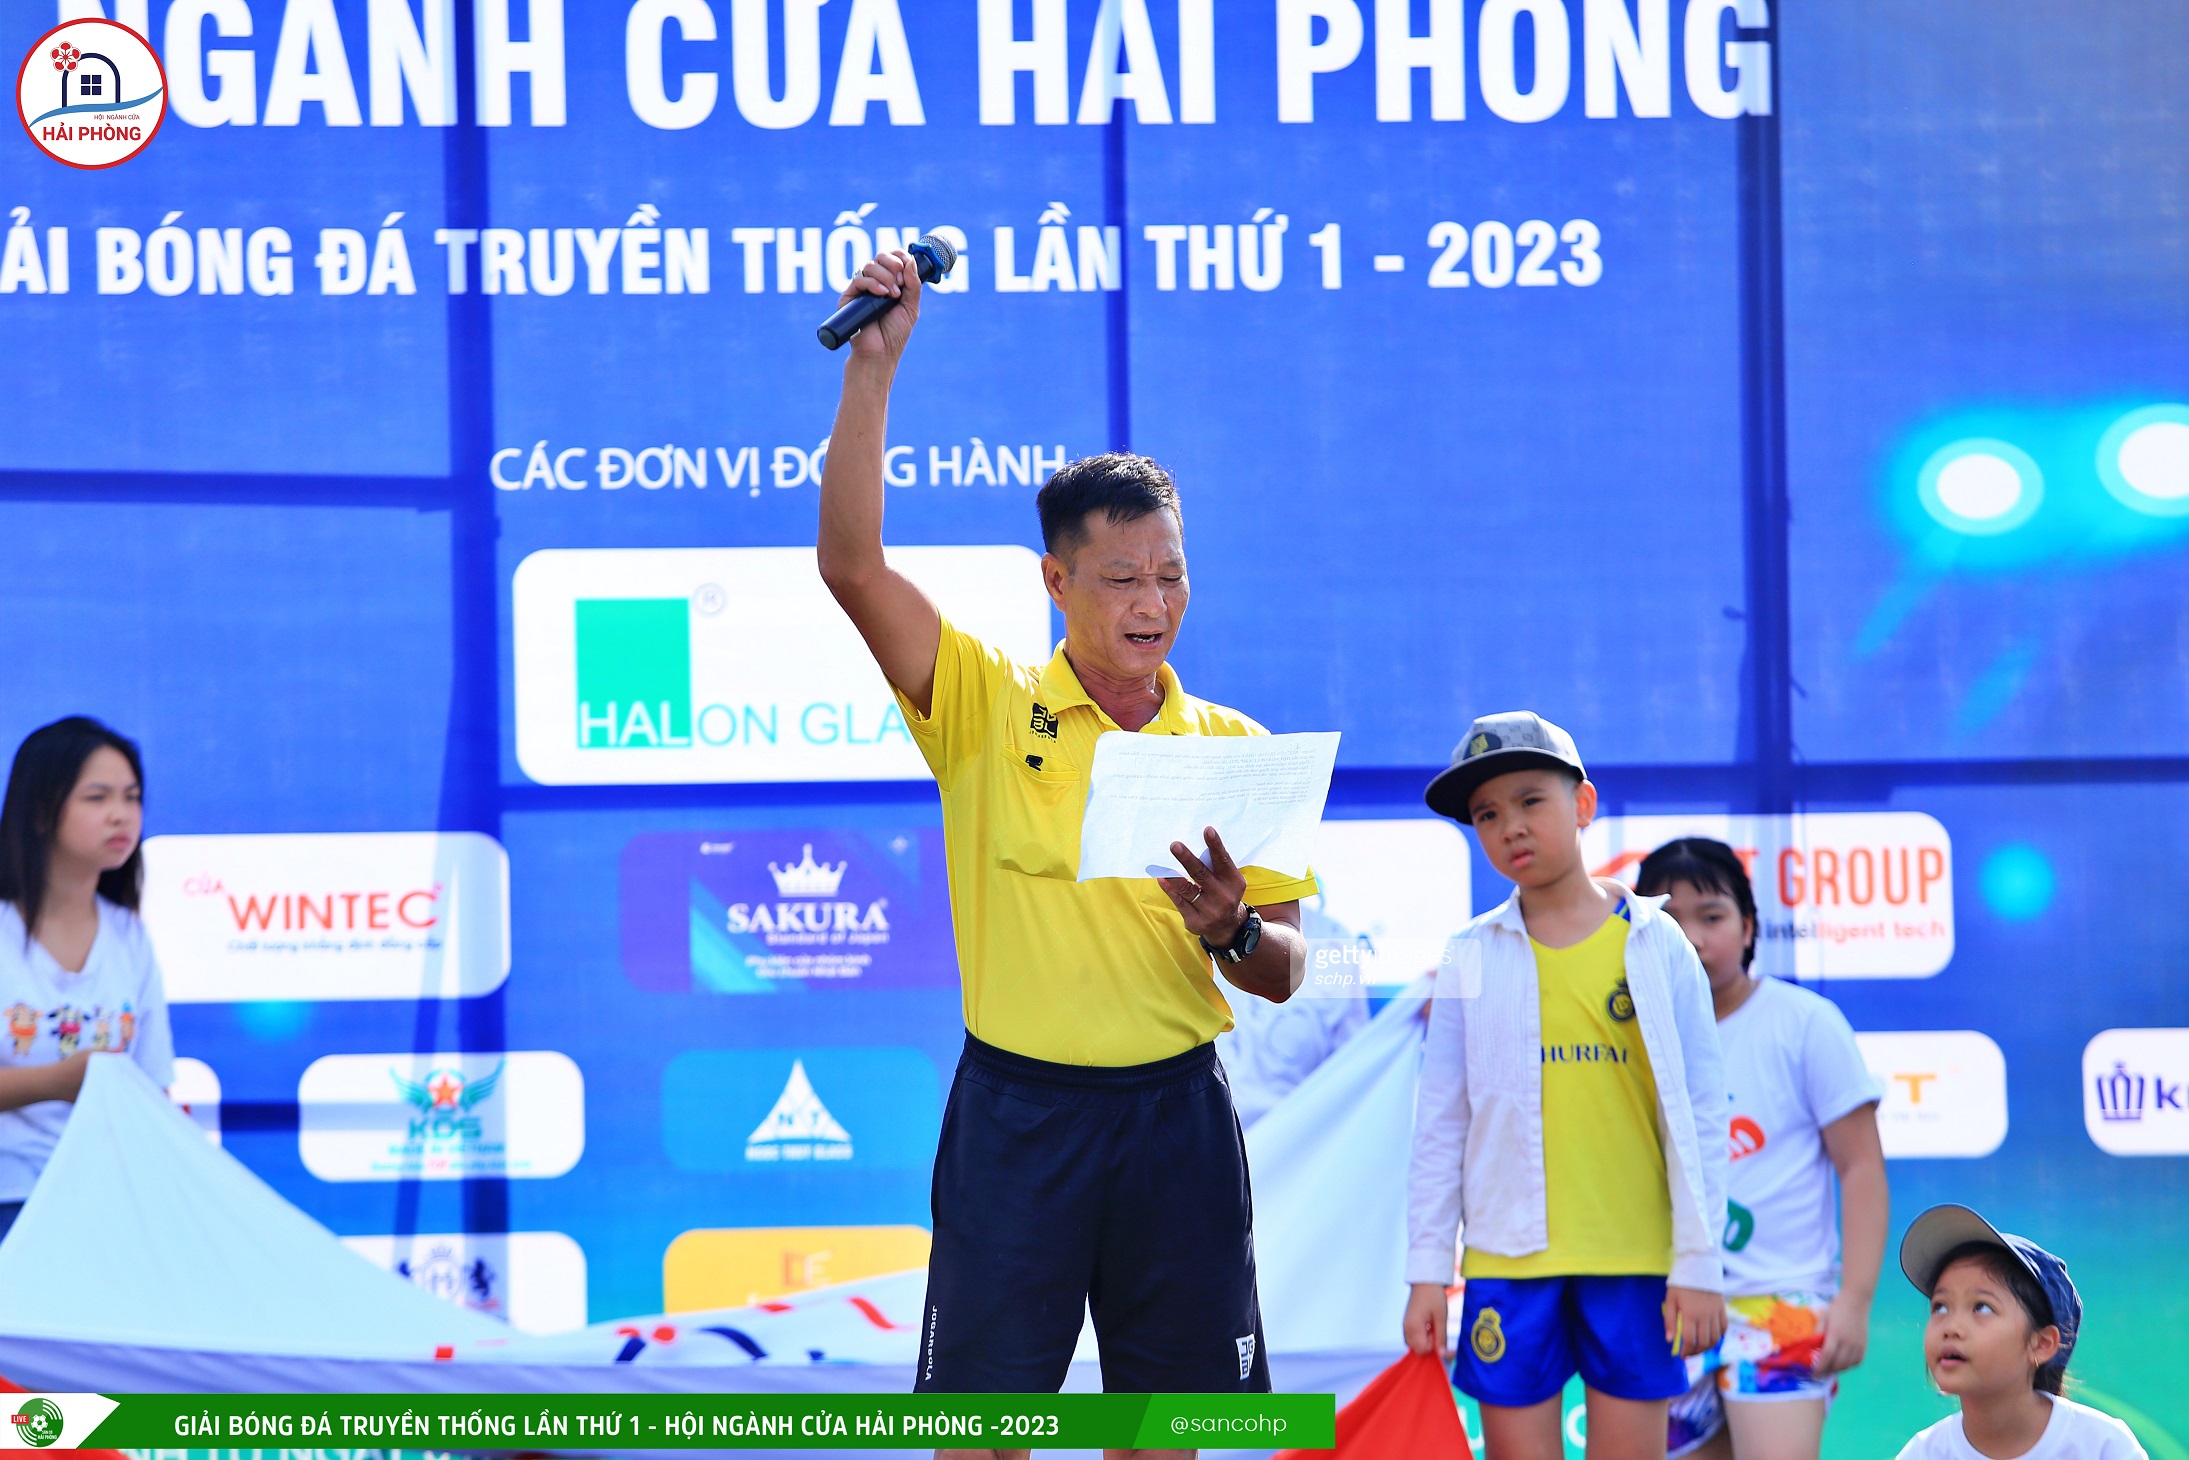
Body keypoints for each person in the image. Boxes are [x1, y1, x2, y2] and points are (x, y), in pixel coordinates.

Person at [815, 249, 1316, 1459]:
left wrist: (1233, 928)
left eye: (1170, 574)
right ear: (1055, 579)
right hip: (1017, 1120)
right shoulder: (982, 703)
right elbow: (850, 568)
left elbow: (1285, 971)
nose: (1152, 601)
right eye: (1120, 577)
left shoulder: (1234, 745)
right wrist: (872, 369)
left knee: (1163, 1435)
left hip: (1177, 1122)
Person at [1404, 712, 1729, 1460]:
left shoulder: (1656, 940)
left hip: (1637, 1257)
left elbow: (1702, 1112)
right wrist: (1426, 1272)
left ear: (1582, 804)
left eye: (1530, 800)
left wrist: (1698, 1262)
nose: (1510, 827)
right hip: (1506, 1261)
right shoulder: (1469, 953)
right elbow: (1440, 1125)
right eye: (1487, 814)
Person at [1634, 838, 1888, 1460]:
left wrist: (1854, 1300)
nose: (1693, 939)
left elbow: (1861, 1167)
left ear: (1749, 927)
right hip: (1667, 1306)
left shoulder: (1804, 1022)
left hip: (1782, 1304)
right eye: (1670, 920)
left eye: (1712, 916)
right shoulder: (1630, 1037)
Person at [0, 717, 174, 1242]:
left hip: (107, 1201)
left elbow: (154, 1087)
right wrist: (57, 1082)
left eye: (132, 797)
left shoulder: (129, 936)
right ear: (40, 812)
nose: (121, 815)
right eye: (97, 798)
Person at [1893, 1204, 2146, 1459]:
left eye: (1982, 1307)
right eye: (1940, 1307)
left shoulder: (2104, 1447)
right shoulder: (1922, 1454)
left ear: (2041, 1344)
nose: (1951, 1327)